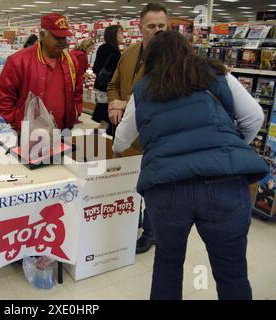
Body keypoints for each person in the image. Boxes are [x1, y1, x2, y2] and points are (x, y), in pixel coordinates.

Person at [113, 30, 268, 300]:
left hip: (167, 189)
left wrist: (115, 152)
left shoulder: (144, 89)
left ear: (151, 59)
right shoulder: (217, 75)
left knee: (167, 264)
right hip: (224, 186)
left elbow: (122, 139)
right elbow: (255, 116)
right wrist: (226, 147)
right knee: (232, 272)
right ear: (188, 50)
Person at [107, 3, 169, 254]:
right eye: (151, 26)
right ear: (141, 27)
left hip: (156, 133)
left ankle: (152, 233)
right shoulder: (129, 53)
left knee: (153, 185)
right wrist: (113, 103)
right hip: (127, 132)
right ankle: (139, 218)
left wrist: (127, 102)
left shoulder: (172, 58)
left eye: (161, 26)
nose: (156, 31)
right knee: (132, 181)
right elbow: (113, 83)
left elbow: (164, 92)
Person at [0, 13, 83, 133]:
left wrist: (76, 113)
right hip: (30, 131)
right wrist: (14, 122)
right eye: (57, 37)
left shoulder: (71, 61)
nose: (62, 42)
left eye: (64, 37)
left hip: (63, 128)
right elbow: (4, 94)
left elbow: (77, 91)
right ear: (42, 35)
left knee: (63, 153)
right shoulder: (18, 60)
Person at [91, 25, 123, 135]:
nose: (123, 35)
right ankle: (99, 140)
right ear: (114, 35)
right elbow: (117, 73)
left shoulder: (101, 48)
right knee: (108, 113)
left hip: (101, 84)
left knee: (104, 112)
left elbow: (95, 68)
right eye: (120, 33)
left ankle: (97, 138)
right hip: (111, 87)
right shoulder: (115, 52)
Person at [70, 38, 95, 120]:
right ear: (86, 47)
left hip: (69, 80)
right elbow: (80, 72)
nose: (91, 51)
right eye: (90, 49)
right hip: (77, 82)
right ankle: (75, 117)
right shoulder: (82, 55)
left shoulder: (73, 52)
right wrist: (87, 75)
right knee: (76, 99)